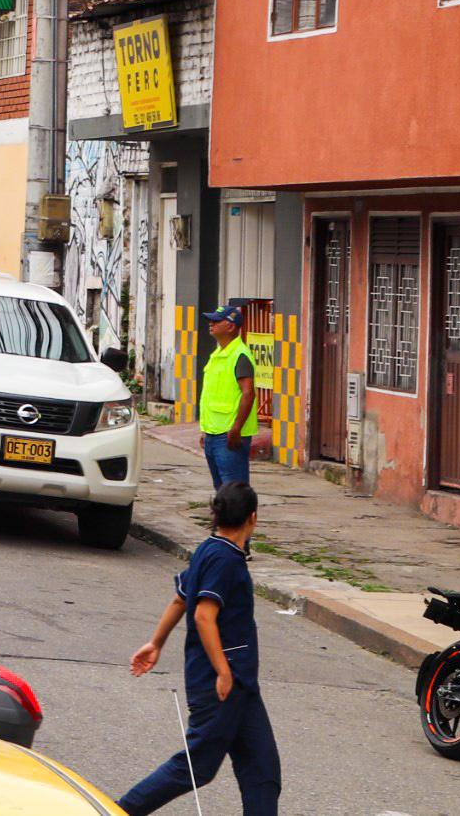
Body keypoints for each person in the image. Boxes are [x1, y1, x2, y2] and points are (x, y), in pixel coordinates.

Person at [118, 482, 279, 815]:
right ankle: (118, 811)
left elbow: (180, 599)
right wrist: (222, 671)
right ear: (253, 518)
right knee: (196, 767)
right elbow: (204, 615)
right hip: (221, 684)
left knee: (263, 773)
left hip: (242, 686)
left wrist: (156, 643)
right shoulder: (224, 560)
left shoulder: (211, 549)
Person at [198, 304, 266, 490]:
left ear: (231, 326)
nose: (211, 324)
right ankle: (224, 519)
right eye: (210, 320)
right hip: (214, 432)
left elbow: (248, 393)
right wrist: (205, 429)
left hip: (229, 435)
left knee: (234, 489)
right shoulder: (218, 354)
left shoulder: (240, 355)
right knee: (220, 488)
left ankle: (242, 519)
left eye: (216, 321)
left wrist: (236, 429)